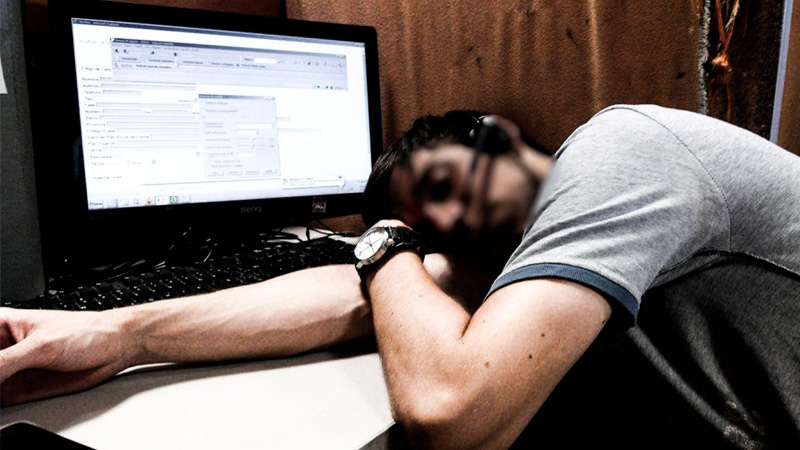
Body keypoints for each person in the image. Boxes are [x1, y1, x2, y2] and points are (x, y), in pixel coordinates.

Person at [1, 105, 798, 449]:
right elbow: (354, 297)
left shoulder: (619, 152)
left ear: (495, 135)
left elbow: (454, 416)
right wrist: (122, 334)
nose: (456, 220)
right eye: (432, 225)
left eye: (445, 183)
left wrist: (387, 243)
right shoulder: (537, 242)